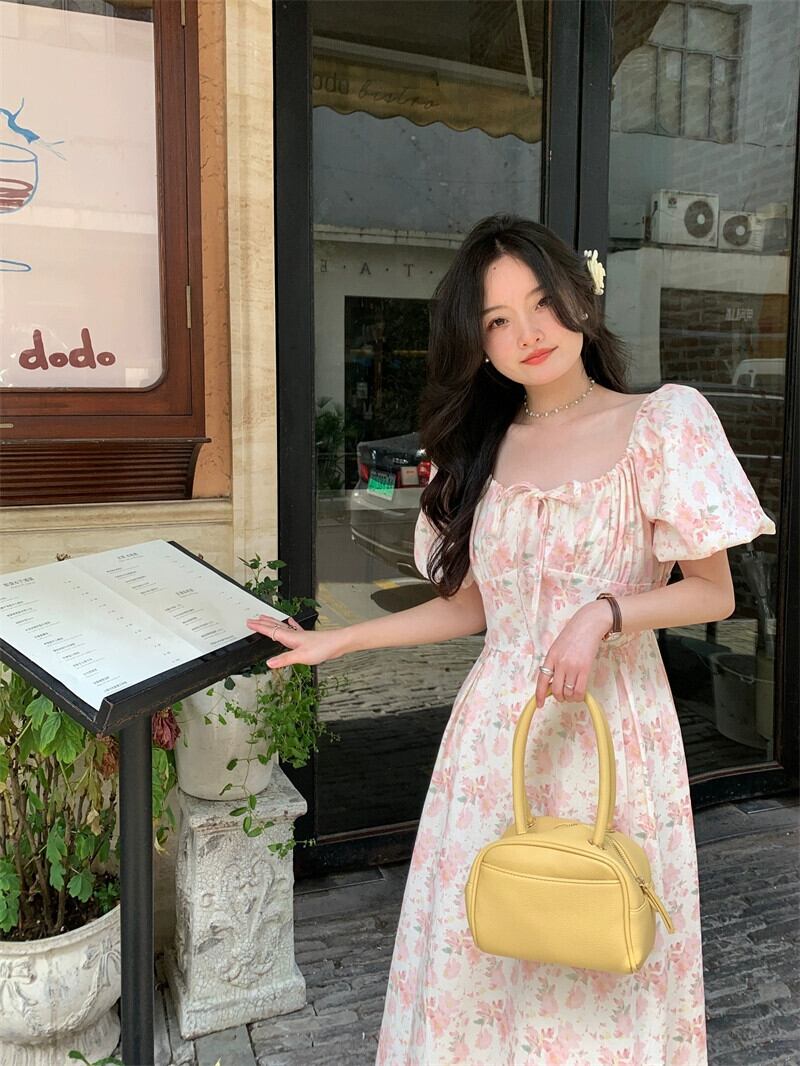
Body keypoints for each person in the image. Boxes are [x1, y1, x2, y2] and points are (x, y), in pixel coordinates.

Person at [246, 214, 776, 1064]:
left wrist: (603, 614)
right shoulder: (477, 453)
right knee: (486, 949)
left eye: (540, 302)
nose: (528, 331)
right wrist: (335, 645)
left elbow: (711, 592)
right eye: (498, 319)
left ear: (580, 299)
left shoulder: (663, 423)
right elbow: (470, 611)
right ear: (479, 344)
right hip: (497, 737)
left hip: (616, 731)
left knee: (603, 940)